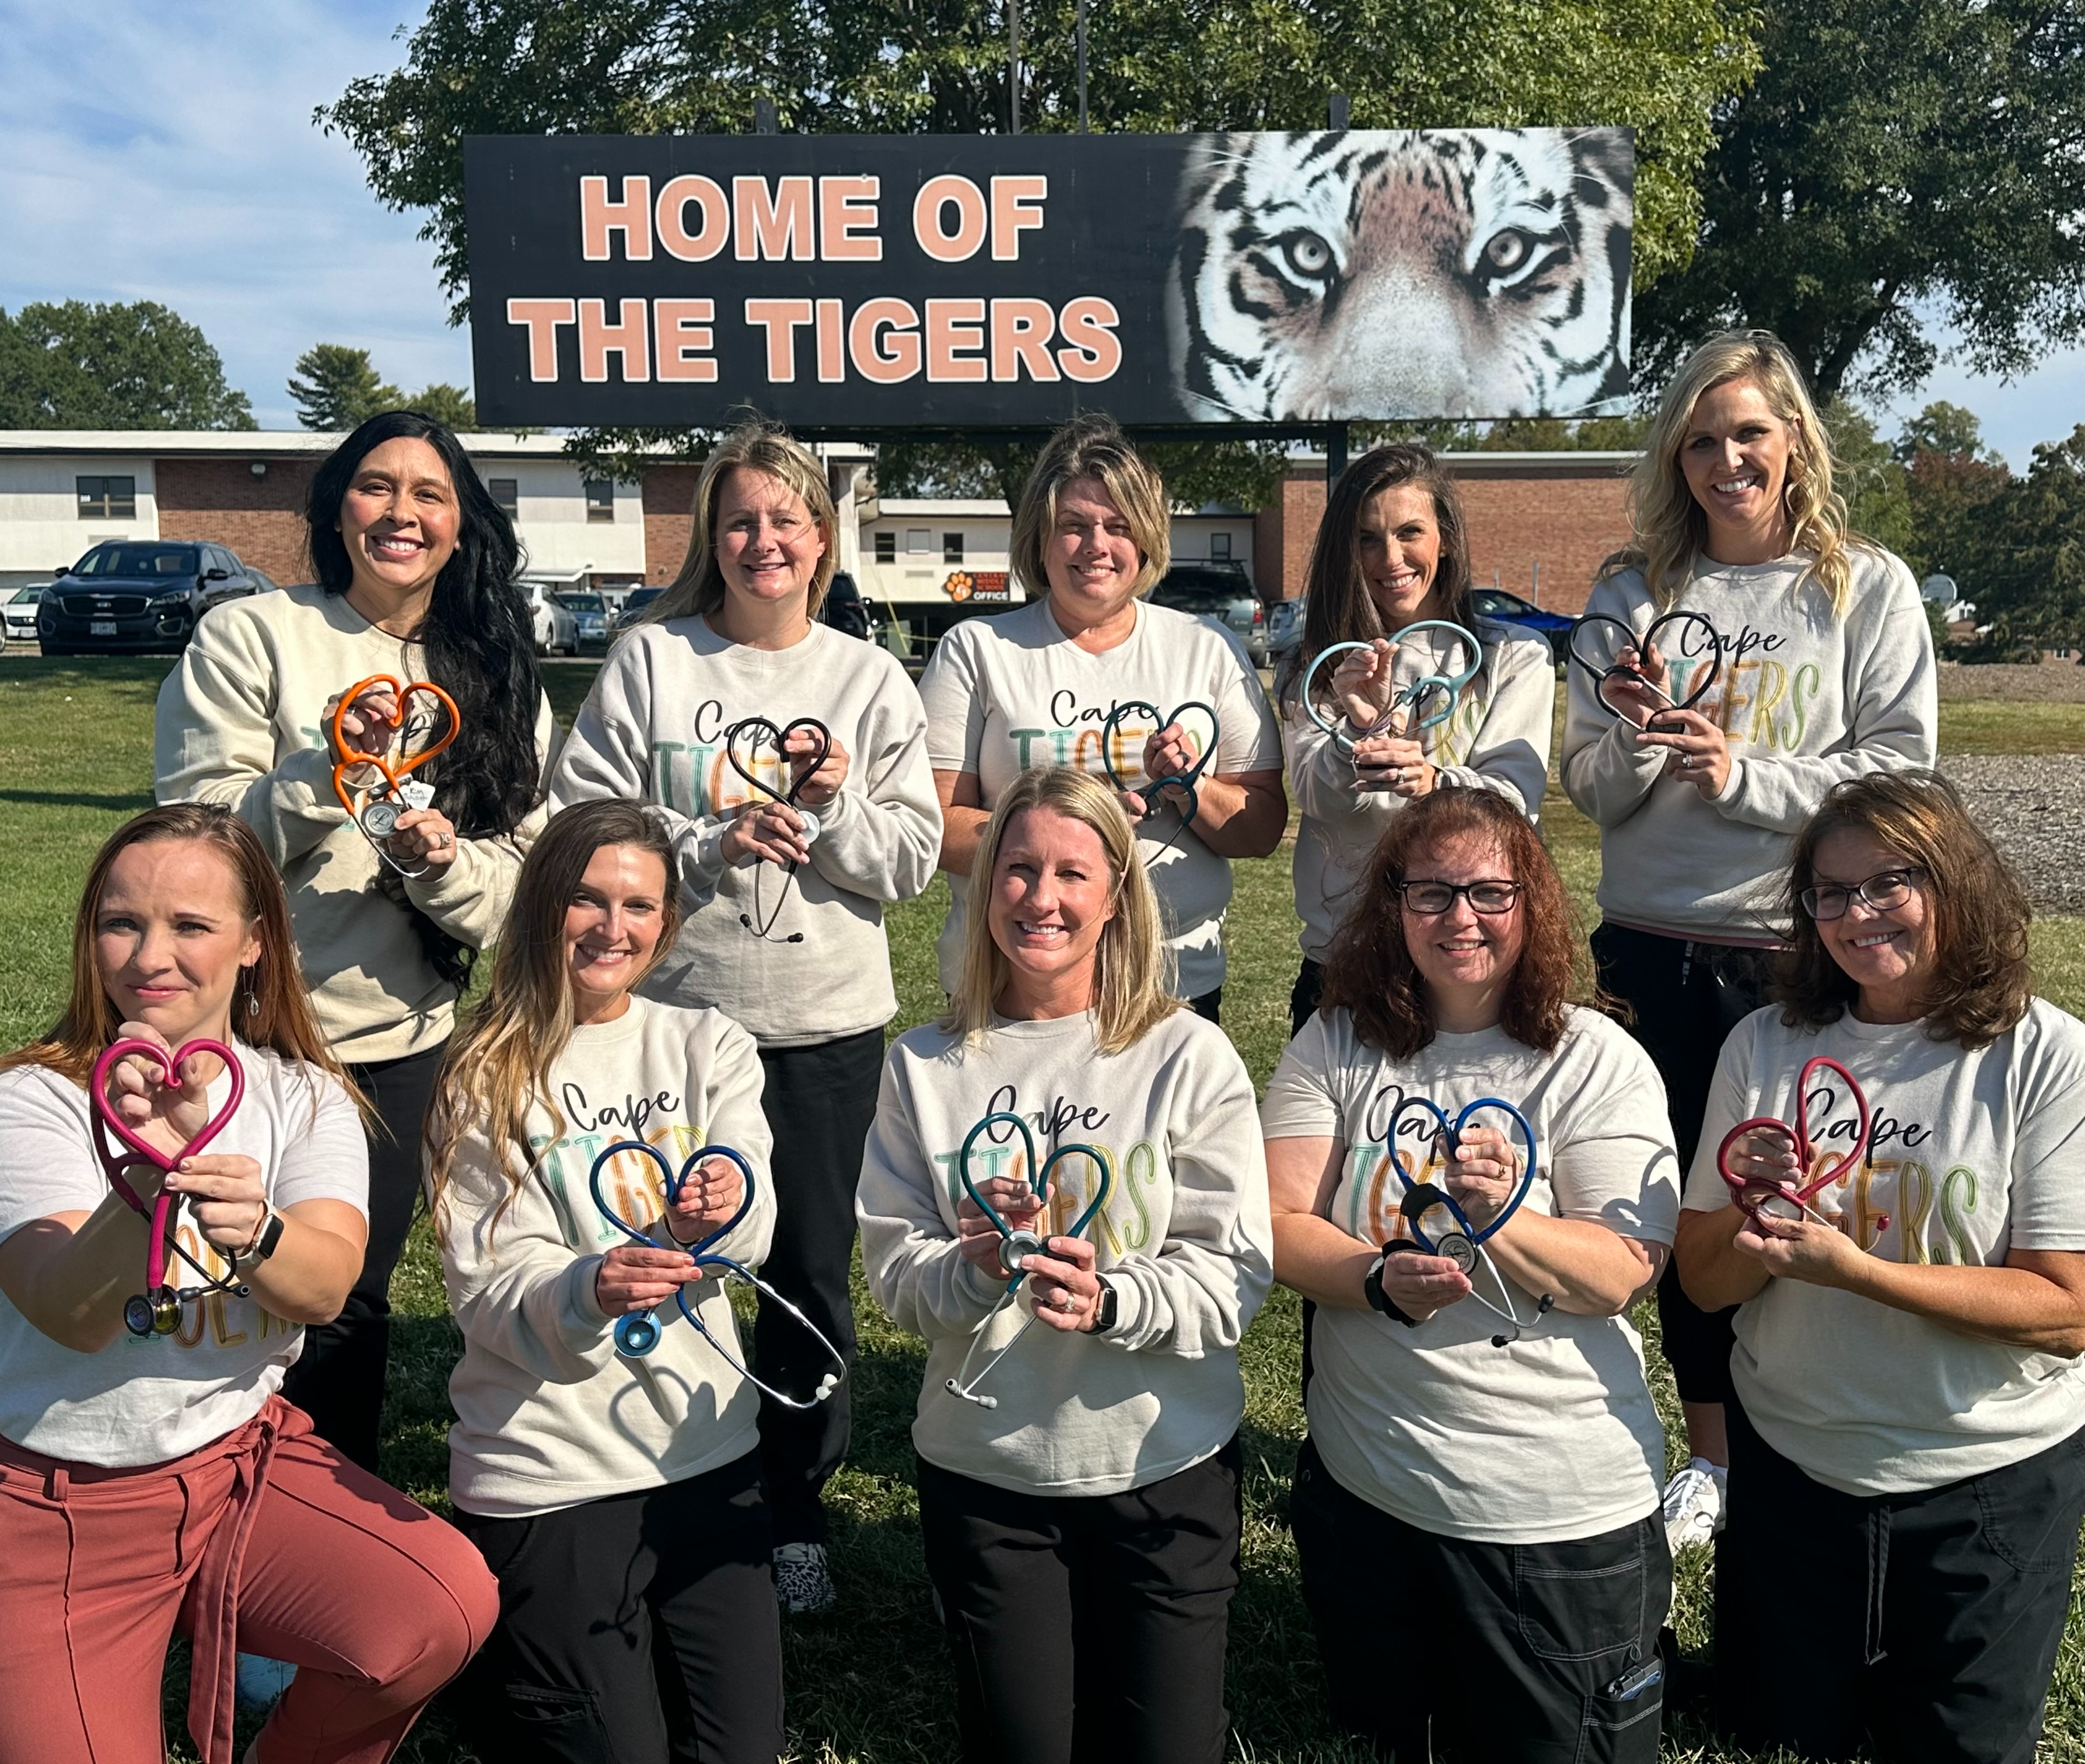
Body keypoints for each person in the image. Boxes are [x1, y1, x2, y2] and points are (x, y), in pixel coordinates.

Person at [0, 804, 498, 1764]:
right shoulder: (34, 1097)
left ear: (255, 942)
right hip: (58, 1506)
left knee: (438, 1609)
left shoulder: (304, 1093)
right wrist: (150, 1175)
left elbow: (323, 1285)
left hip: (238, 1469)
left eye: (191, 924)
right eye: (121, 920)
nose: (152, 953)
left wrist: (261, 1231)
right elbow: (65, 1308)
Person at [550, 421, 939, 1614]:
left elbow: (913, 859)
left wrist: (831, 811)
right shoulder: (652, 661)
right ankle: (658, 1471)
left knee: (808, 1269)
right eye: (739, 520)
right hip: (672, 1017)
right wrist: (701, 845)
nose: (761, 540)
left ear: (821, 539)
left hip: (822, 1020)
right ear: (709, 537)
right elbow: (583, 823)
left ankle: (791, 1512)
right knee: (661, 1244)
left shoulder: (865, 676)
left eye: (785, 520)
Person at [1561, 329, 1936, 1551]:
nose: (1725, 460)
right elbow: (1586, 784)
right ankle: (1710, 1457)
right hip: (1643, 947)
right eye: (1702, 438)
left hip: (1792, 950)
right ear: (1674, 452)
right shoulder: (1634, 591)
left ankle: (1803, 1431)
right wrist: (1635, 744)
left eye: (1748, 437)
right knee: (1669, 1212)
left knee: (1788, 1199)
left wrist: (1743, 772)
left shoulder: (1860, 586)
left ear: (1791, 446)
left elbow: (1898, 773)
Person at [155, 410, 555, 1476]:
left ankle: (312, 1538)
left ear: (462, 526)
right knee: (203, 1278)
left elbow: (520, 897)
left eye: (429, 494)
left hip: (396, 1038)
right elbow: (192, 851)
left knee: (342, 1298)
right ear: (340, 505)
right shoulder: (253, 637)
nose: (402, 512)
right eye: (378, 486)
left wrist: (438, 865)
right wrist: (324, 772)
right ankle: (185, 1504)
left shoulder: (497, 673)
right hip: (243, 1035)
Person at [857, 766, 1272, 1764]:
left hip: (1159, 1463)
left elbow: (1233, 1271)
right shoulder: (924, 1063)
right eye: (1017, 868)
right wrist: (972, 1265)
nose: (1042, 897)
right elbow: (892, 1272)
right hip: (990, 1471)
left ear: (1117, 895)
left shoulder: (1186, 1054)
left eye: (1072, 873)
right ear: (981, 881)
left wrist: (1114, 1297)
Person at [1263, 788, 1680, 1762]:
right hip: (1367, 1498)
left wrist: (1497, 1219)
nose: (1458, 917)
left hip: (1548, 1512)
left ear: (1530, 902)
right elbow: (1275, 1224)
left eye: (1488, 891)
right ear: (1389, 904)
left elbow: (1619, 1270)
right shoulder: (1335, 1040)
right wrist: (1374, 1277)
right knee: (1385, 1736)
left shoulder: (1592, 1057)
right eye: (1430, 891)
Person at [1675, 771, 2085, 1762]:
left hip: (1979, 1481)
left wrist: (1853, 1269)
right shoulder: (1764, 1043)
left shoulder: (2041, 1054)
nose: (1853, 915)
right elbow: (1699, 1282)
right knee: (1774, 1735)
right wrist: (1745, 1214)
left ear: (1951, 880)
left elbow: (2064, 1309)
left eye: (1885, 882)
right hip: (1793, 1465)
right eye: (1826, 890)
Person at [425, 799, 784, 1762]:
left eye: (638, 905)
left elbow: (752, 1220)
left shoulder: (708, 1044)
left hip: (700, 1448)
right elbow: (488, 1292)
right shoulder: (481, 1070)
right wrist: (587, 1287)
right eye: (586, 899)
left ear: (668, 922)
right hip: (551, 1473)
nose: (611, 927)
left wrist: (720, 1207)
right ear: (543, 905)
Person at [918, 414, 1285, 1023]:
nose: (1096, 546)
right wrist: (1071, 827)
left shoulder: (1205, 647)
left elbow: (1261, 828)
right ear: (1040, 537)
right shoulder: (977, 649)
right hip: (1014, 982)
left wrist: (1192, 786)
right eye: (1073, 526)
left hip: (1169, 978)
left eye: (1118, 526)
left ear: (1145, 540)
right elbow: (933, 828)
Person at [1276, 442, 1554, 1035]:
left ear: (1445, 539)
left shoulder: (1513, 656)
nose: (1391, 557)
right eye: (1368, 539)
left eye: (1410, 533)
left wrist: (1432, 782)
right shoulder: (1316, 668)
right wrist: (1357, 729)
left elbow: (1515, 802)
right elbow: (1318, 801)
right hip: (1344, 962)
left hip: (1468, 960)